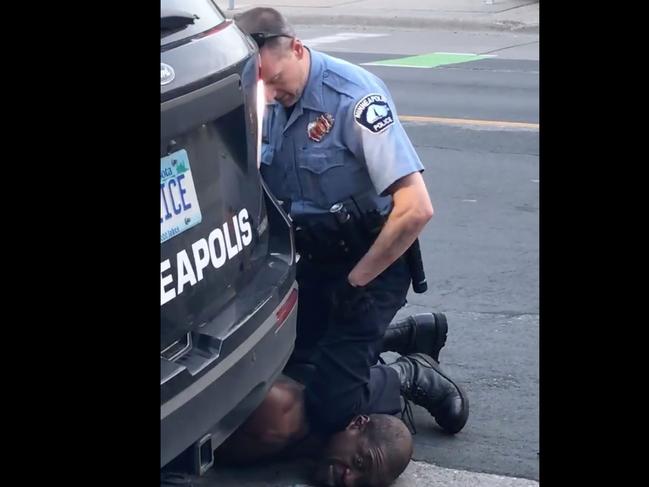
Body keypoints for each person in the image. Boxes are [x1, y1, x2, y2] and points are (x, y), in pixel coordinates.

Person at [235, 8, 469, 437]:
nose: (265, 94)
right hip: (314, 260)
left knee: (329, 407)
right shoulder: (259, 98)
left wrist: (357, 281)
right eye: (257, 83)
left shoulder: (352, 98)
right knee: (287, 366)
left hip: (370, 266)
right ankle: (401, 335)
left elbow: (416, 208)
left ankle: (409, 373)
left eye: (273, 81)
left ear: (298, 49)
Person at [217, 372, 414, 487]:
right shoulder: (281, 414)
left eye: (361, 485)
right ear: (357, 424)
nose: (348, 480)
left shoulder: (332, 447)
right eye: (359, 462)